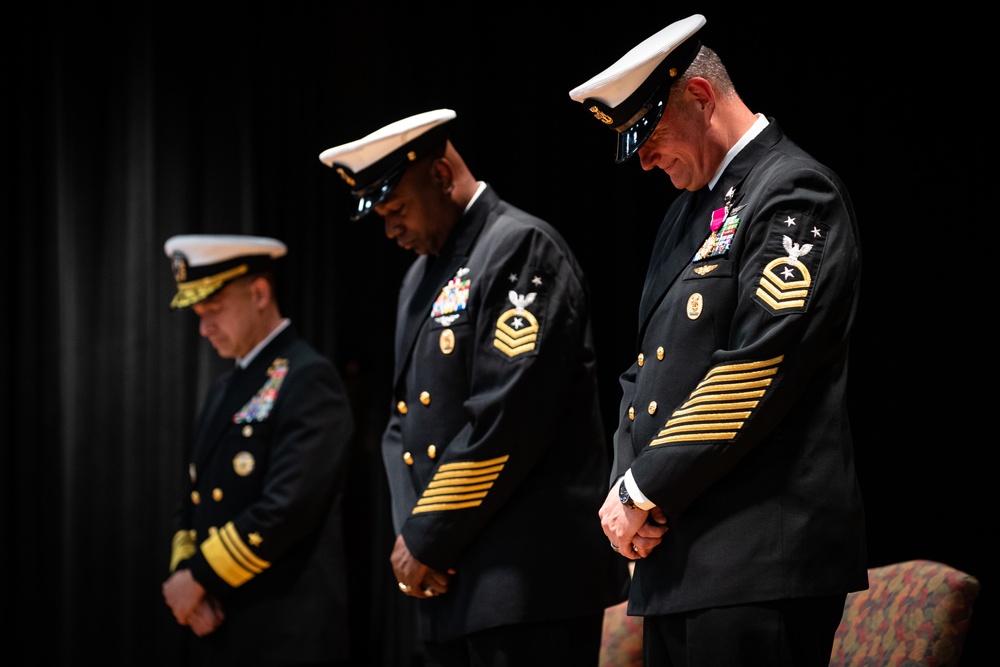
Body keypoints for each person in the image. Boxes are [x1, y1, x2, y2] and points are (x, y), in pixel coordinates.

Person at [569, 13, 868, 666]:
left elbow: (758, 366)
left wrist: (642, 488)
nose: (643, 158)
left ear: (700, 97)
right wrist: (624, 485)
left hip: (758, 559)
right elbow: (643, 369)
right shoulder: (688, 212)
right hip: (677, 560)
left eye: (648, 134)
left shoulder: (794, 192)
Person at [318, 109, 630, 666]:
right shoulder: (420, 277)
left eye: (396, 210)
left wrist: (426, 537)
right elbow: (401, 423)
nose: (390, 230)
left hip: (525, 583)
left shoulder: (520, 247)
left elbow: (509, 416)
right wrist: (414, 535)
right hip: (450, 579)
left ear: (441, 175)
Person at [160, 234, 356, 667]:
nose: (203, 327)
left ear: (260, 294)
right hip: (215, 625)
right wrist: (185, 577)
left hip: (285, 634)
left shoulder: (308, 378)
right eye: (197, 314)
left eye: (213, 311)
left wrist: (198, 577)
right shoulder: (224, 389)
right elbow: (194, 499)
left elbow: (286, 508)